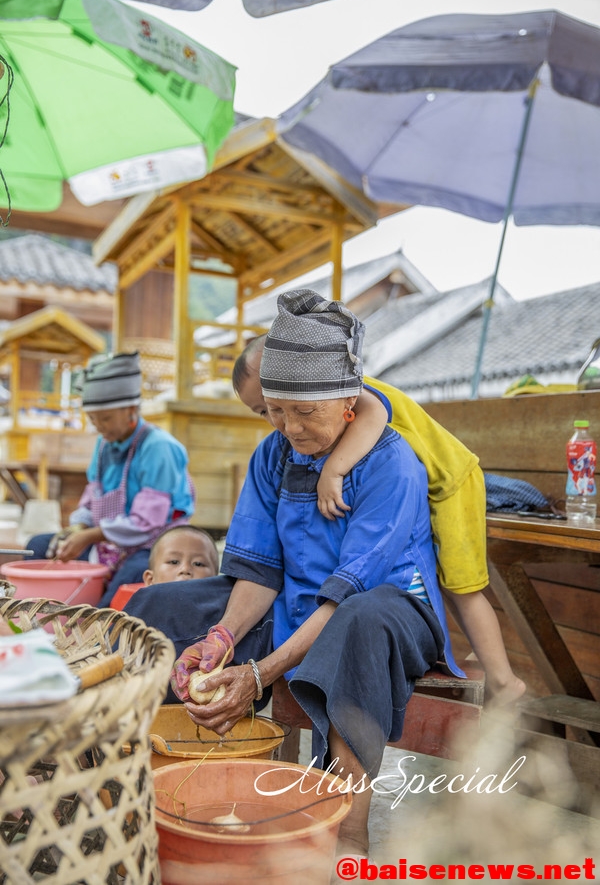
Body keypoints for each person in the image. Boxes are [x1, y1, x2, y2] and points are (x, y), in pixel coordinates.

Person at [127, 289, 461, 859]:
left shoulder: (391, 465)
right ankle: (157, 782)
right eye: (275, 411)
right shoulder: (273, 454)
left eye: (305, 412)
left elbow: (347, 593)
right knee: (159, 607)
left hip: (387, 609)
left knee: (359, 622)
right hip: (299, 604)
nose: (289, 428)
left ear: (349, 404)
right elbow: (259, 571)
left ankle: (348, 828)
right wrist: (223, 638)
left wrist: (259, 675)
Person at [233, 331, 525, 708]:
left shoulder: (343, 385)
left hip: (452, 480)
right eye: (269, 410)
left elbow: (374, 416)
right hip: (423, 479)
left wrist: (333, 471)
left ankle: (504, 680)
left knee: (461, 588)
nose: (283, 424)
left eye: (294, 408)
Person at [26, 352, 196, 608]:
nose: (99, 427)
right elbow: (91, 497)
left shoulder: (159, 447)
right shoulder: (104, 444)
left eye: (105, 418)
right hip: (107, 541)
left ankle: (99, 632)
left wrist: (92, 535)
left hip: (150, 542)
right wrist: (77, 530)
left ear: (130, 409)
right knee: (39, 546)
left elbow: (147, 522)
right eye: (94, 420)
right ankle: (40, 619)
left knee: (132, 577)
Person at [142, 524, 219, 586]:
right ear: (150, 580)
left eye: (198, 564)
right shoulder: (138, 605)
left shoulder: (225, 605)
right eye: (174, 562)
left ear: (216, 581)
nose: (185, 569)